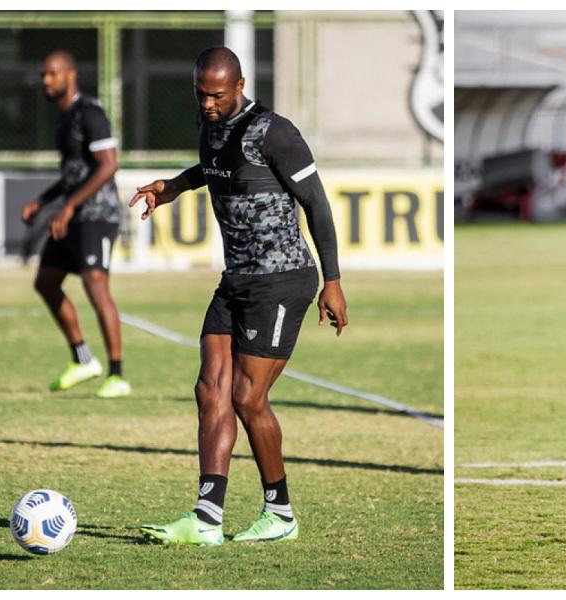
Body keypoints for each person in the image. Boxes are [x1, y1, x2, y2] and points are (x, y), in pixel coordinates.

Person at [133, 47, 348, 546]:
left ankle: (281, 513)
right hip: (236, 280)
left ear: (239, 85)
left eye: (216, 94)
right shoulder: (210, 126)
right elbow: (214, 168)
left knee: (248, 398)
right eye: (200, 93)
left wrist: (333, 281)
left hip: (282, 279)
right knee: (210, 389)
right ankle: (207, 518)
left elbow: (316, 204)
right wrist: (174, 186)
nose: (207, 103)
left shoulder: (277, 132)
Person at [21, 50, 130, 399]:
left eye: (52, 74)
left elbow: (108, 165)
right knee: (47, 281)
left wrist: (67, 206)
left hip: (98, 215)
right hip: (73, 212)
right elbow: (74, 173)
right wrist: (44, 200)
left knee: (96, 284)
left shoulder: (90, 112)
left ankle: (117, 374)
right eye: (43, 75)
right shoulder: (65, 117)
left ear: (71, 75)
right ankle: (83, 359)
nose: (46, 81)